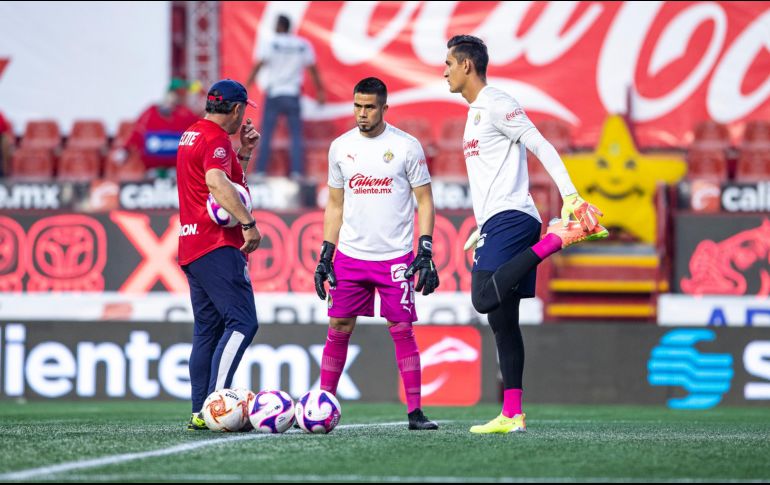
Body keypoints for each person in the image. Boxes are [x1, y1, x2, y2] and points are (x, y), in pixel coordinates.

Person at [444, 35, 608, 434]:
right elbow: (493, 177)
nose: (444, 70)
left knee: (483, 299)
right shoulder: (474, 113)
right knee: (502, 321)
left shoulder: (498, 102)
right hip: (496, 221)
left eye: (448, 62)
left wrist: (571, 197)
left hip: (514, 218)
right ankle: (512, 414)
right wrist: (480, 227)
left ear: (467, 65)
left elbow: (542, 145)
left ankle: (558, 238)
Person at [313, 77, 440, 431]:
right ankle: (324, 405)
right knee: (338, 325)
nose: (362, 113)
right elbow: (334, 205)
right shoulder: (340, 147)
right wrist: (326, 254)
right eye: (357, 106)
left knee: (401, 328)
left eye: (369, 107)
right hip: (351, 256)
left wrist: (425, 247)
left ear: (384, 108)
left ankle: (415, 413)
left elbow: (425, 200)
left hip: (395, 257)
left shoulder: (406, 146)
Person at [176, 79, 262, 431]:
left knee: (208, 331)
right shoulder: (214, 139)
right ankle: (216, 404)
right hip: (216, 245)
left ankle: (200, 411)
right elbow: (216, 182)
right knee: (243, 322)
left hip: (192, 246)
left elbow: (226, 180)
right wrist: (248, 223)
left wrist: (243, 152)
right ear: (238, 109)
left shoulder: (193, 134)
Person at [246, 14, 326, 179]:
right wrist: (320, 91)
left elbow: (258, 65)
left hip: (274, 93)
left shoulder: (271, 43)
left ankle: (260, 171)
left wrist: (246, 85)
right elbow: (313, 70)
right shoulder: (302, 45)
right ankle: (297, 172)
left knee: (266, 133)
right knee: (296, 135)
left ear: (279, 26)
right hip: (292, 94)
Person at [124, 77, 200, 177]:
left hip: (177, 172)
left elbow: (200, 130)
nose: (175, 97)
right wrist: (125, 149)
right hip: (151, 171)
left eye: (179, 94)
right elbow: (137, 132)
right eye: (174, 93)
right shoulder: (151, 111)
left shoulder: (186, 113)